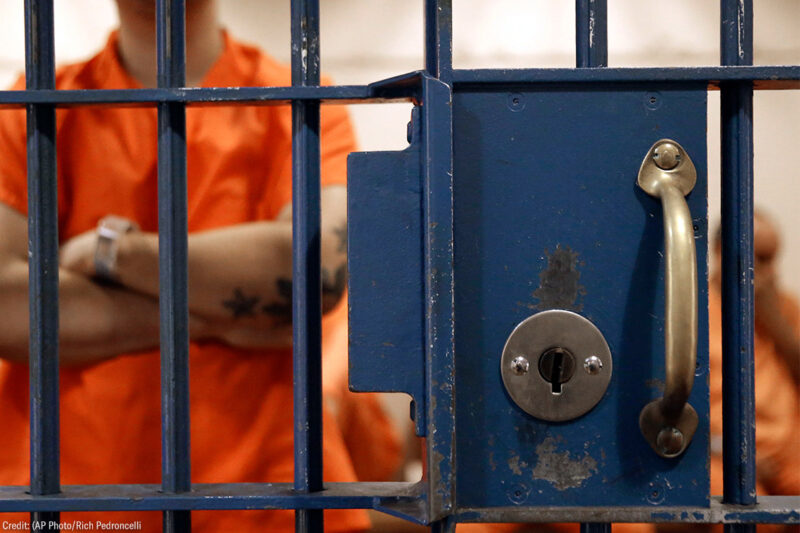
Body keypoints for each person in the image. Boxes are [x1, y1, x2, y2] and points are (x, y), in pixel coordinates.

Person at [0, 0, 394, 530]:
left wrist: (115, 253)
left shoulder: (300, 98)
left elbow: (316, 273)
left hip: (271, 501)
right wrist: (226, 313)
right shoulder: (33, 107)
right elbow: (4, 308)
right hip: (67, 503)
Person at [707, 211, 800, 532]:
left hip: (788, 451)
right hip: (725, 454)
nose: (771, 272)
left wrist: (774, 320)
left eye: (773, 259)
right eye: (760, 259)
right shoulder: (696, 312)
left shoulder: (784, 306)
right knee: (754, 519)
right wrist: (732, 452)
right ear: (721, 253)